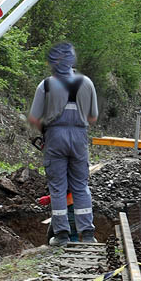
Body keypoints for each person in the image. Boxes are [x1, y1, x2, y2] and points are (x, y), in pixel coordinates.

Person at [28, 42, 99, 246]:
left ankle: (61, 236)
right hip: (79, 136)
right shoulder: (86, 83)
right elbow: (93, 117)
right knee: (80, 186)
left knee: (58, 188)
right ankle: (87, 234)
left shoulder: (46, 85)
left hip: (55, 137)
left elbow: (34, 118)